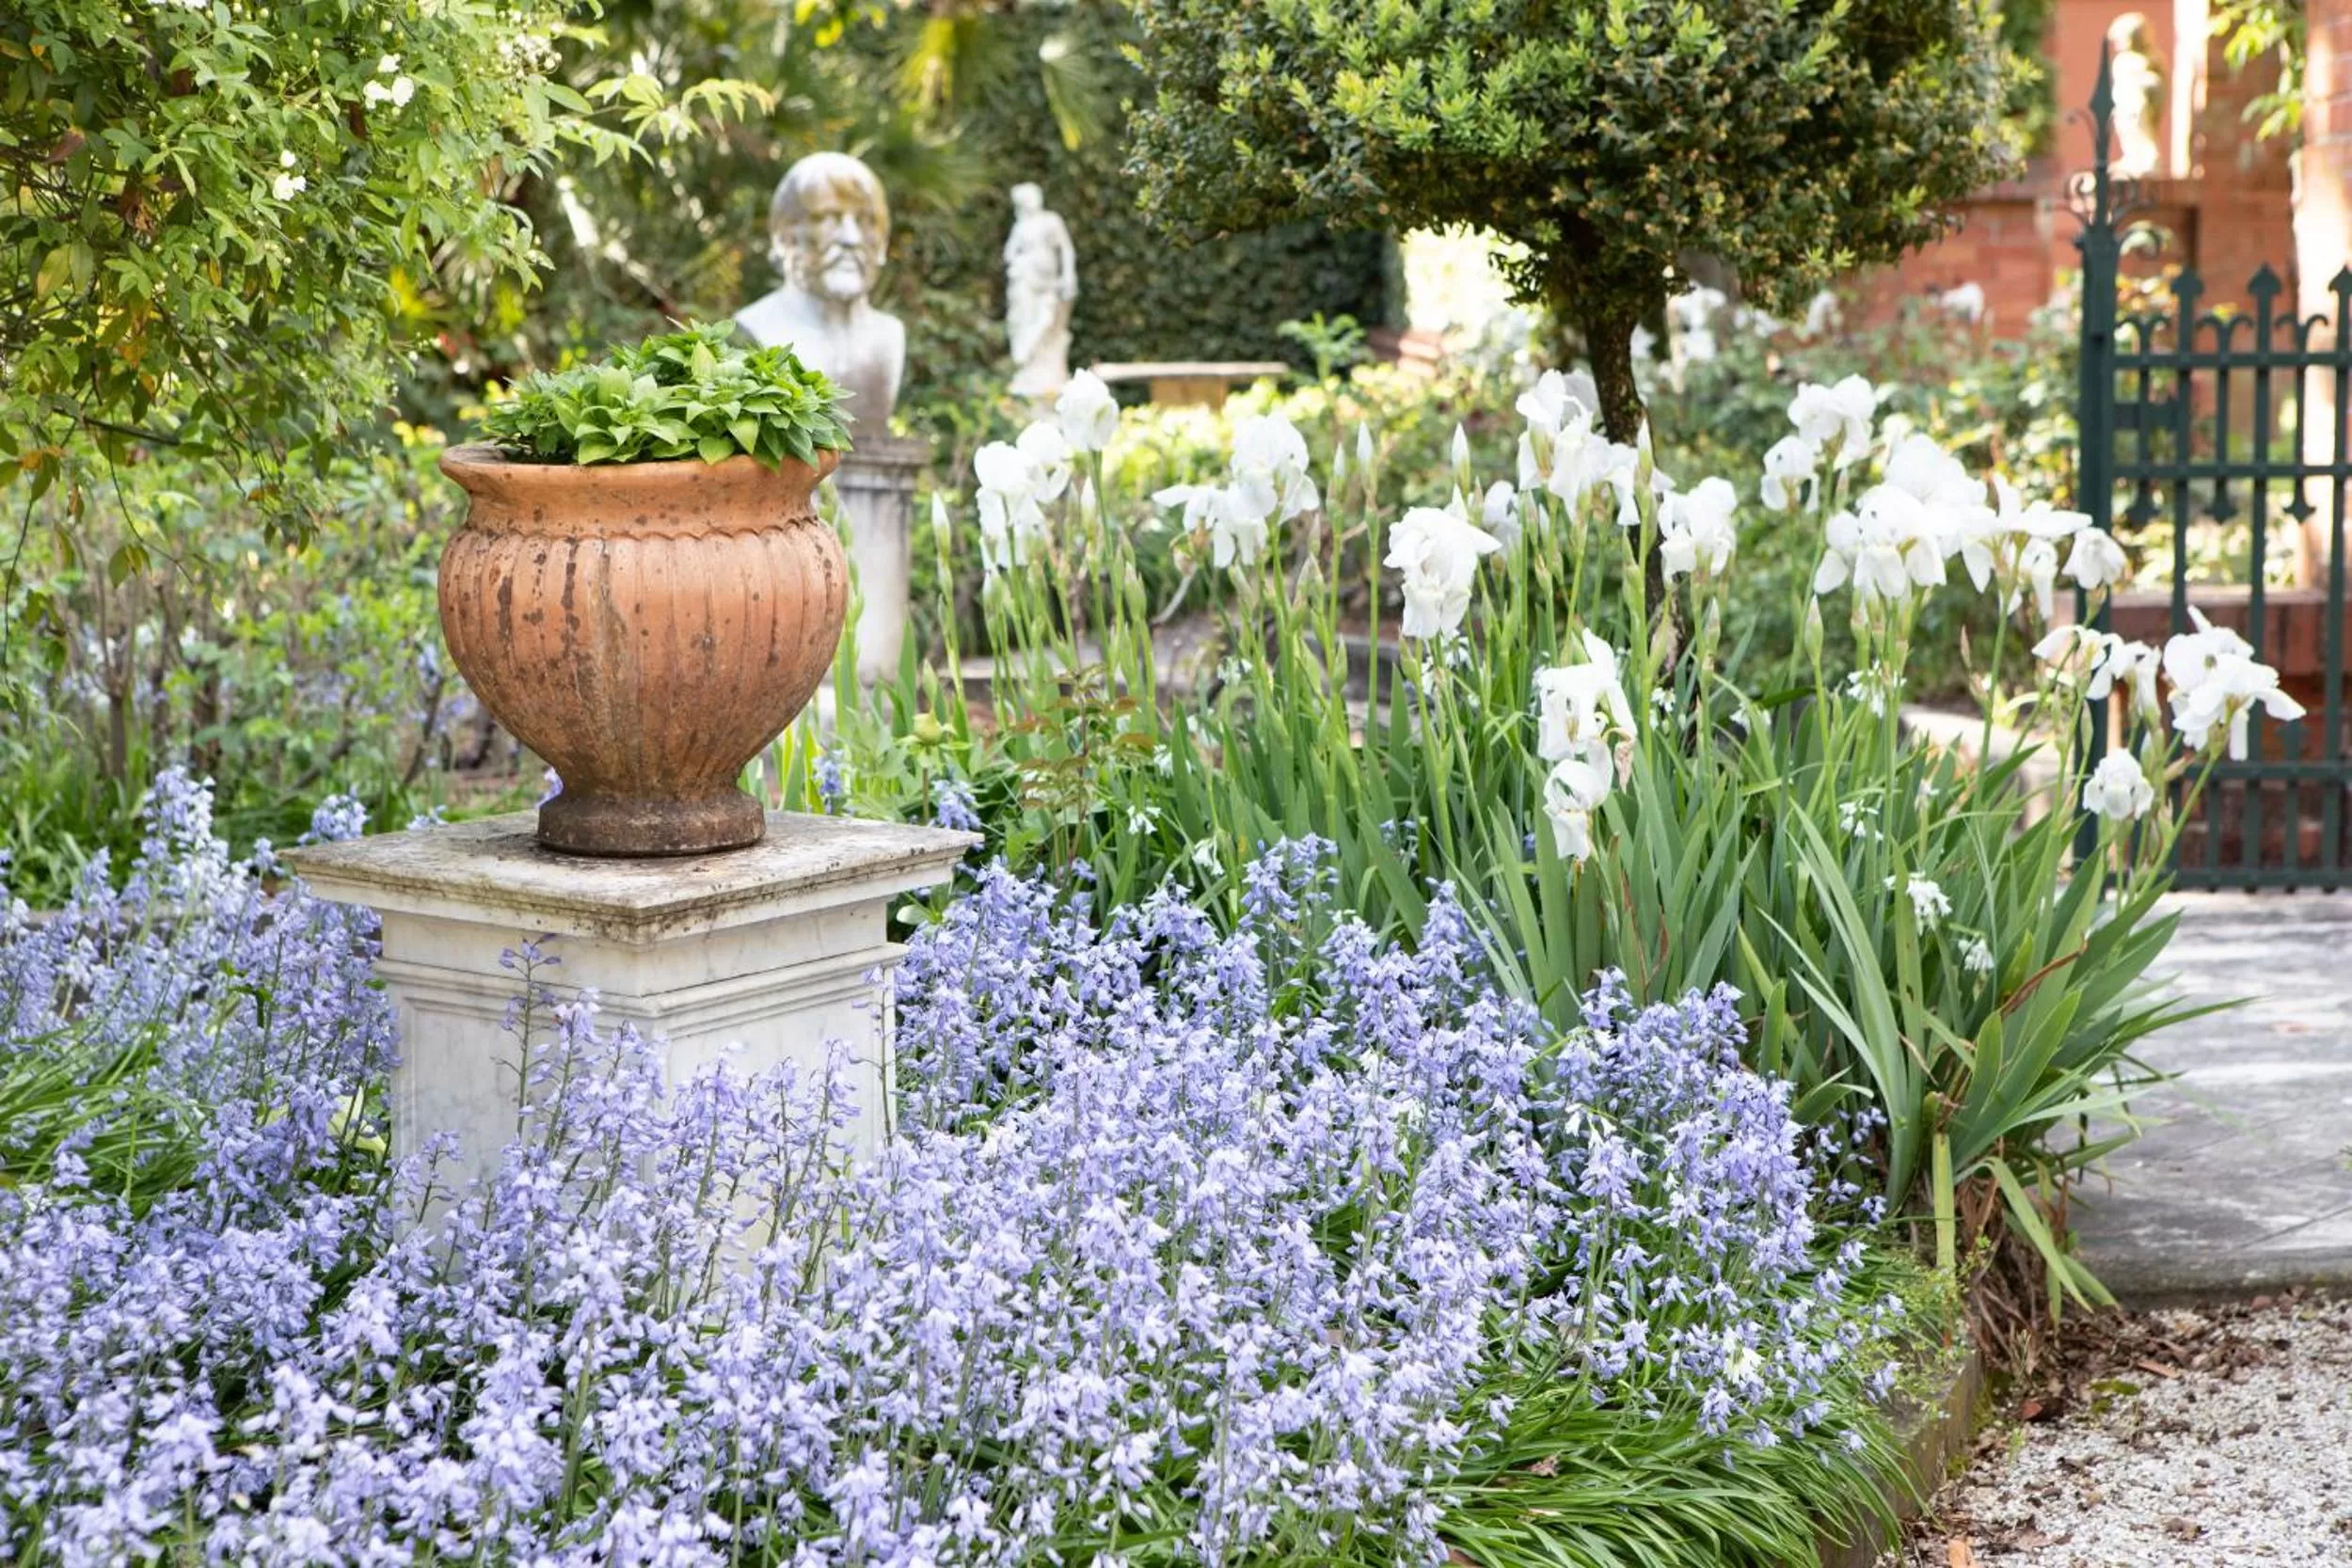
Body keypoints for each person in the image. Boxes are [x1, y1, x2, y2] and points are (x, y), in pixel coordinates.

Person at [735, 151, 905, 426]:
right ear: (783, 235)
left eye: (866, 221)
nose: (851, 238)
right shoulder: (755, 327)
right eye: (828, 217)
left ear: (883, 243)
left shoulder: (890, 335)